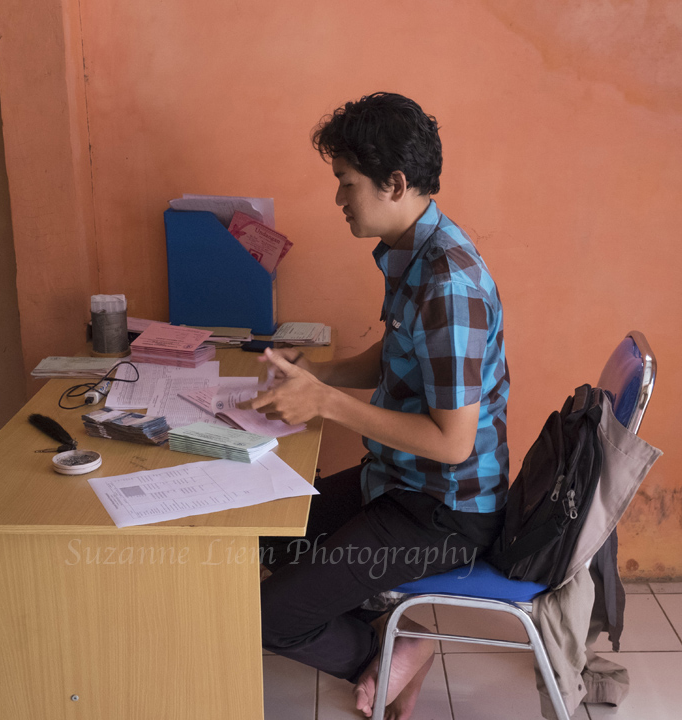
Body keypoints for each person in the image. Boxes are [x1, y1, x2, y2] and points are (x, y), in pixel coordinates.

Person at [245, 92, 510, 720]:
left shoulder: (449, 284)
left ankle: (392, 653)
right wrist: (319, 372)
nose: (338, 198)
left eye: (346, 182)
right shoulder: (413, 250)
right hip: (396, 481)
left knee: (270, 615)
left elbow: (452, 443)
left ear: (394, 183)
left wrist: (327, 403)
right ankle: (381, 623)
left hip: (441, 510)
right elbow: (397, 356)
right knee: (259, 539)